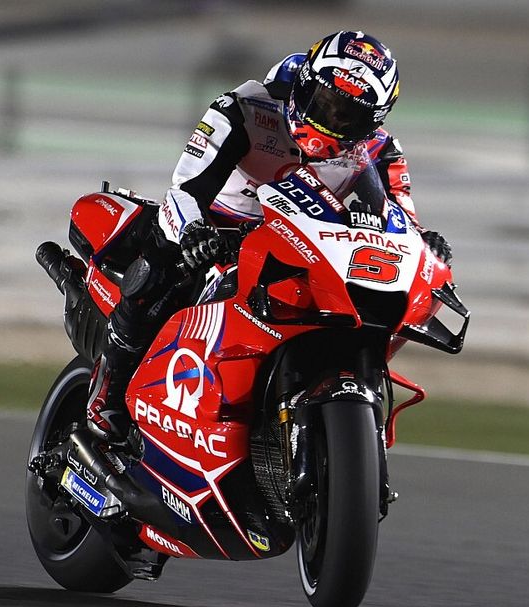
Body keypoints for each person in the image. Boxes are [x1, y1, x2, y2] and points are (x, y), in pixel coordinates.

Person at [86, 30, 453, 445]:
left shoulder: (379, 150)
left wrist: (426, 247)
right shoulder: (243, 108)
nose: (331, 121)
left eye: (348, 115)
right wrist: (193, 233)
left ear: (373, 120)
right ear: (304, 85)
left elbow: (402, 220)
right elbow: (184, 191)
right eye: (325, 103)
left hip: (305, 246)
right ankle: (109, 391)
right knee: (161, 261)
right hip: (219, 229)